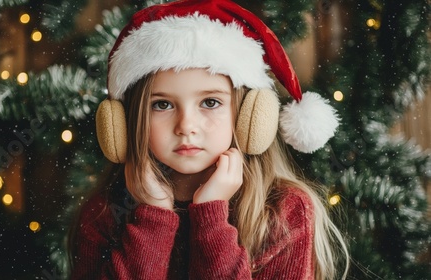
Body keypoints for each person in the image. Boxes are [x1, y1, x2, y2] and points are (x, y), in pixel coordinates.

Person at [70, 0, 349, 279]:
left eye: (211, 102)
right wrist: (152, 220)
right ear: (124, 123)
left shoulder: (285, 212)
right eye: (162, 105)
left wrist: (211, 219)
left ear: (249, 116)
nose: (186, 126)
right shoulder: (104, 215)